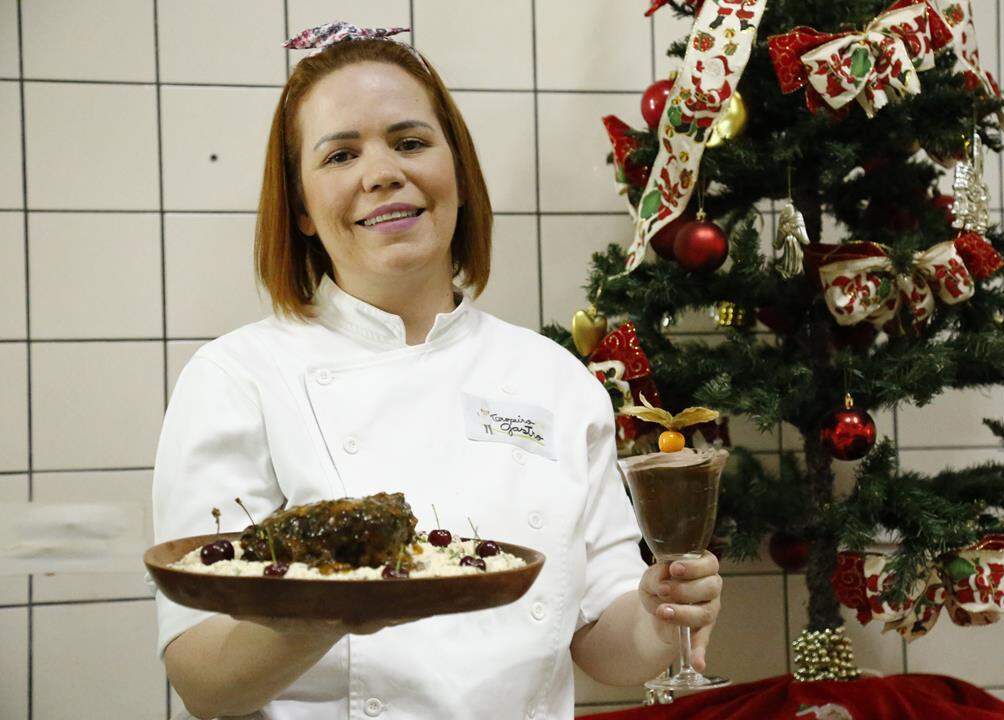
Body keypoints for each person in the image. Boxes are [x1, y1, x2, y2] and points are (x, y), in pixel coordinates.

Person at [152, 22, 723, 720]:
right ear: (301, 208)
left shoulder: (554, 379)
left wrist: (660, 613)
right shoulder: (237, 378)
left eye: (411, 142)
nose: (383, 171)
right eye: (339, 154)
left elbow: (603, 644)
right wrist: (336, 607)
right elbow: (203, 681)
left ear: (457, 173)